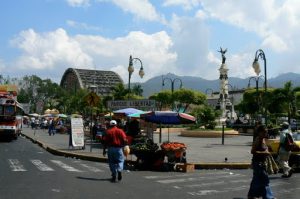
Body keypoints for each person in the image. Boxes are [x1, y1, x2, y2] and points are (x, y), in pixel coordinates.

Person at [247, 125, 276, 199]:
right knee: (265, 179)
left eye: (266, 132)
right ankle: (268, 197)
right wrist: (264, 153)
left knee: (256, 180)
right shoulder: (258, 139)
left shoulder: (263, 139)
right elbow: (252, 151)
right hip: (257, 163)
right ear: (259, 132)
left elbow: (264, 149)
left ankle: (251, 195)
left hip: (262, 163)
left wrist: (268, 151)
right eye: (264, 132)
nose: (265, 134)